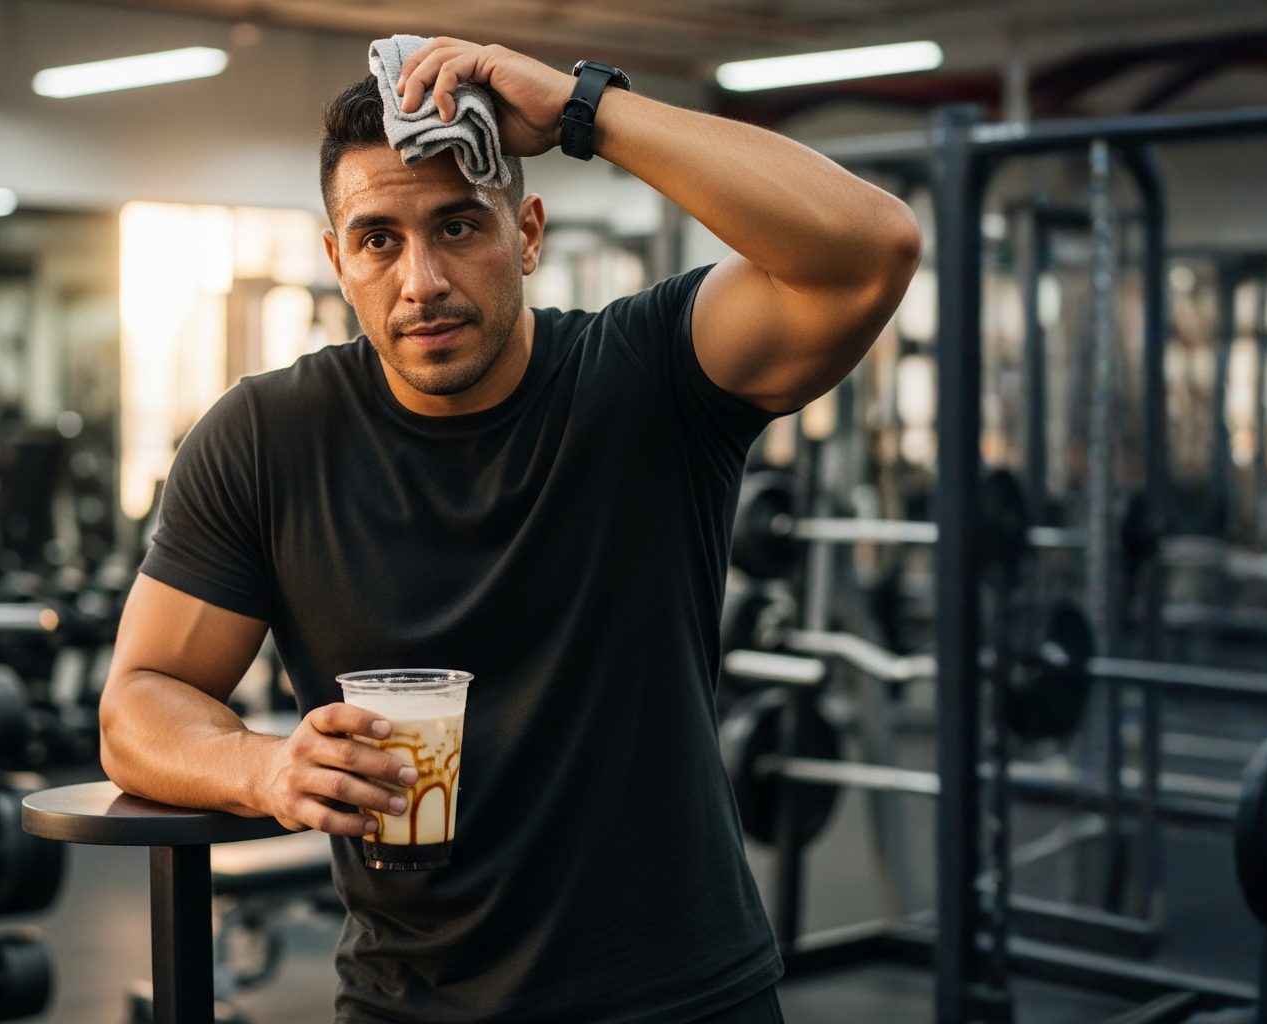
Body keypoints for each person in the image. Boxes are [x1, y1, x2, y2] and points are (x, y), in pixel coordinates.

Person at [99, 37, 920, 1024]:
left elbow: (870, 247)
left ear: (525, 231)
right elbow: (140, 701)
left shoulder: (648, 376)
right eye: (377, 240)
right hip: (409, 1006)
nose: (421, 281)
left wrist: (587, 109)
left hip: (680, 1000)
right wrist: (265, 767)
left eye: (457, 226)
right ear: (336, 259)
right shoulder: (267, 437)